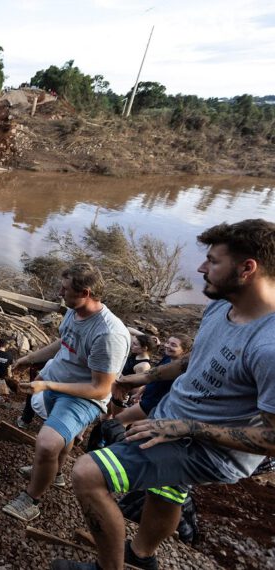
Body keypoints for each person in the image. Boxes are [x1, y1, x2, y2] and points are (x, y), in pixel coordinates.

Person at [54, 219, 275, 570]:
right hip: (174, 422)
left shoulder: (268, 346)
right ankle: (141, 558)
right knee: (166, 489)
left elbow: (271, 440)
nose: (202, 268)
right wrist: (130, 380)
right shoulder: (222, 305)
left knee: (86, 474)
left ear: (247, 268)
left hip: (205, 447)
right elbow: (192, 361)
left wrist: (185, 428)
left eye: (213, 261)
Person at [3, 262, 130, 523]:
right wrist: (30, 358)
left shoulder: (108, 334)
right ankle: (55, 473)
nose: (59, 293)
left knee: (47, 443)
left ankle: (32, 500)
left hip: (83, 396)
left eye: (64, 289)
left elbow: (100, 388)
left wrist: (48, 385)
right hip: (58, 381)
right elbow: (65, 341)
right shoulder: (74, 311)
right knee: (62, 435)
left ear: (85, 292)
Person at [112, 333, 193, 427]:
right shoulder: (167, 358)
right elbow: (153, 376)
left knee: (119, 421)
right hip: (147, 397)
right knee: (129, 425)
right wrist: (140, 393)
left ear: (184, 351)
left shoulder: (183, 371)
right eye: (167, 342)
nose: (167, 346)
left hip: (153, 404)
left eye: (173, 345)